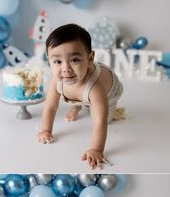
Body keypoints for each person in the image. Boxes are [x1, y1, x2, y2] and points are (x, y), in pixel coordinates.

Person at [37, 23, 123, 170]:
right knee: (79, 97)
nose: (66, 69)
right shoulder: (56, 81)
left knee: (103, 117)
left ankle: (83, 104)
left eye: (74, 60)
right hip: (81, 91)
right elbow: (51, 107)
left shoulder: (96, 88)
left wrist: (97, 149)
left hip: (109, 92)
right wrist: (46, 130)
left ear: (90, 59)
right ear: (49, 61)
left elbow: (100, 121)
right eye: (57, 61)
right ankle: (78, 105)